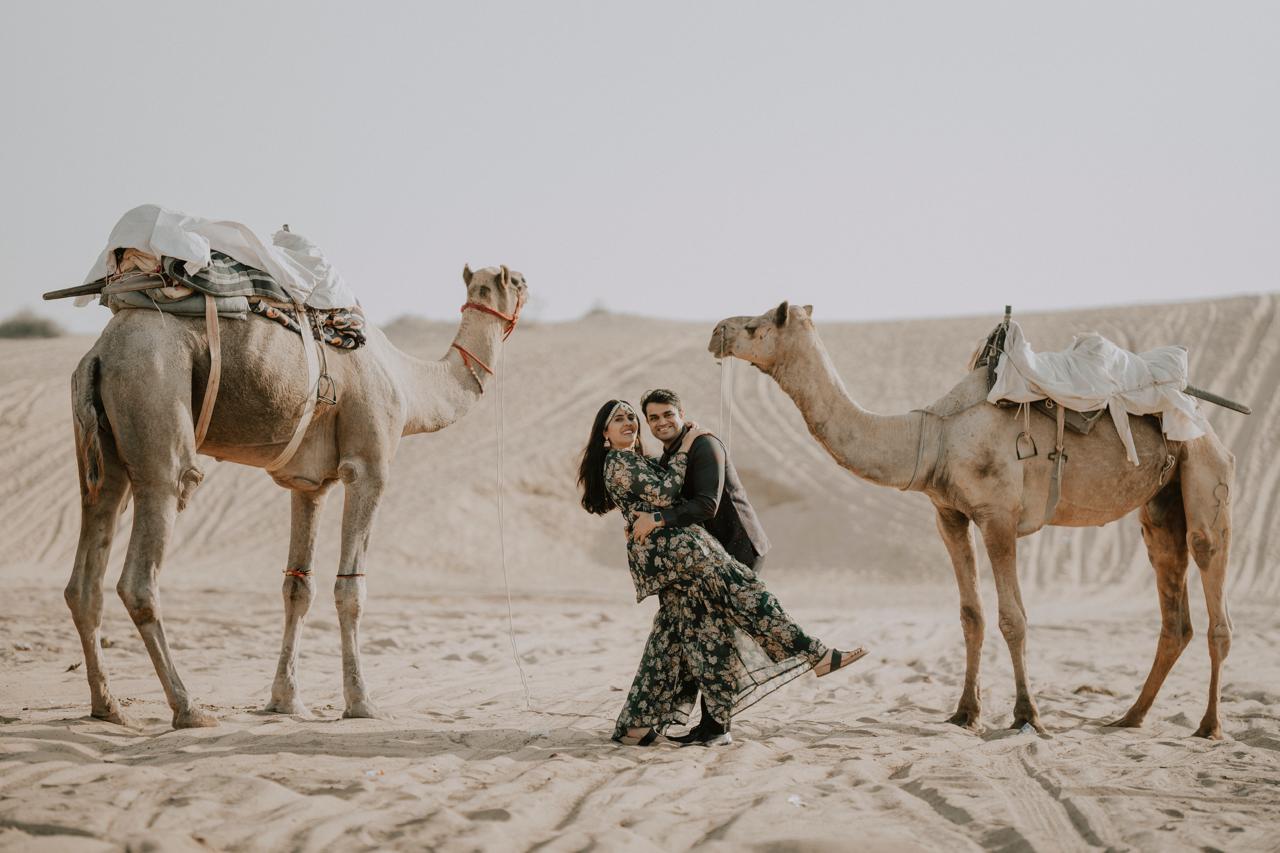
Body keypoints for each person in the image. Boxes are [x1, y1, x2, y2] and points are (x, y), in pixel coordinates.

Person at [577, 399, 866, 747]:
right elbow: (668, 491)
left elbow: (660, 494)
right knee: (747, 592)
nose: (629, 423)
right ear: (604, 433)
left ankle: (643, 726)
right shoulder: (620, 461)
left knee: (676, 639)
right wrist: (686, 444)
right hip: (681, 554)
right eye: (618, 420)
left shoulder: (634, 460)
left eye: (631, 418)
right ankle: (815, 654)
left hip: (676, 552)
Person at [633, 388, 769, 744]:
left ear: (682, 414)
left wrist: (659, 518)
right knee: (703, 636)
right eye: (654, 418)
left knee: (717, 637)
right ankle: (711, 725)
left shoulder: (705, 446)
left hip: (736, 547)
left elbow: (707, 505)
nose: (661, 422)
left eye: (667, 415)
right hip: (707, 556)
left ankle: (717, 728)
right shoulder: (673, 454)